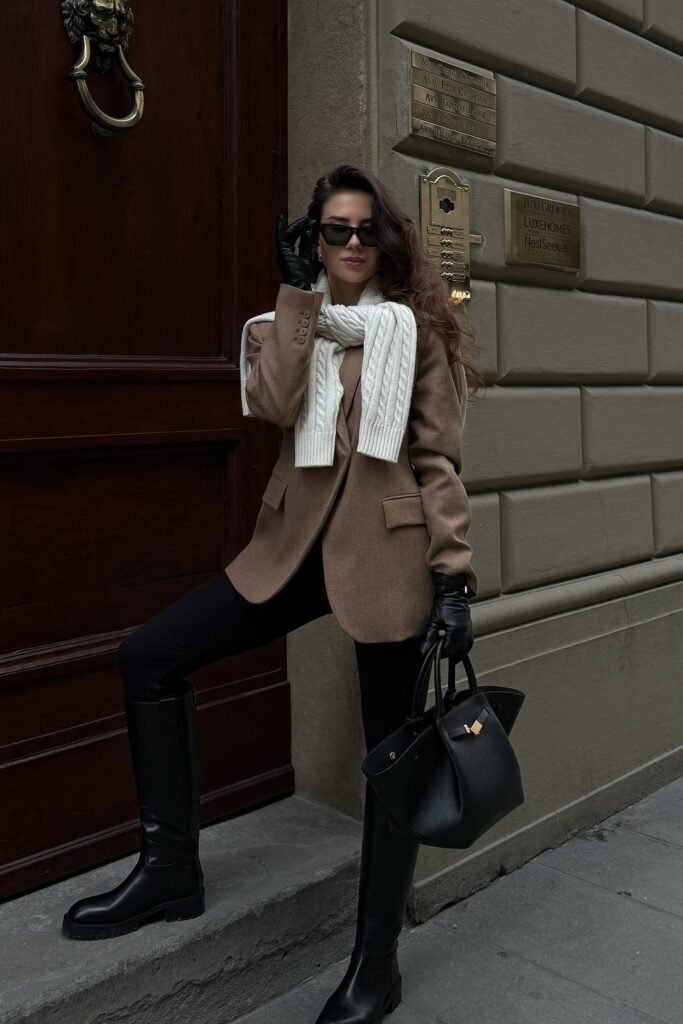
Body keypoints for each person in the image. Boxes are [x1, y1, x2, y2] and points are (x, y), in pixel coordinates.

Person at [61, 164, 481, 1024]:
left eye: (367, 229)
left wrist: (454, 581)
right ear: (311, 241)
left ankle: (375, 963)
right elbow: (271, 403)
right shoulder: (281, 324)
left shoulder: (417, 330)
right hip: (290, 550)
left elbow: (438, 462)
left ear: (388, 239)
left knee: (391, 759)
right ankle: (170, 871)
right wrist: (296, 298)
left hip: (388, 555)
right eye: (336, 230)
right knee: (149, 657)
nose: (354, 244)